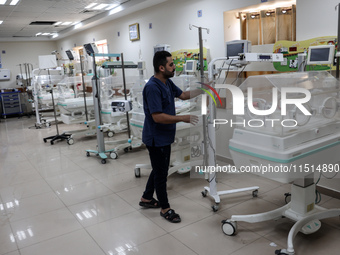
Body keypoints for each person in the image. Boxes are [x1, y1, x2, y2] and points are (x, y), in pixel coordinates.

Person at [139, 50, 201, 223]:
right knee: (161, 173)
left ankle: (146, 198)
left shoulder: (167, 83)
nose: (175, 67)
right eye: (171, 64)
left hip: (164, 136)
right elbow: (157, 116)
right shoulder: (152, 87)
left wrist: (203, 89)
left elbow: (183, 95)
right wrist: (183, 118)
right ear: (161, 67)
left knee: (159, 168)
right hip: (156, 137)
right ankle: (165, 208)